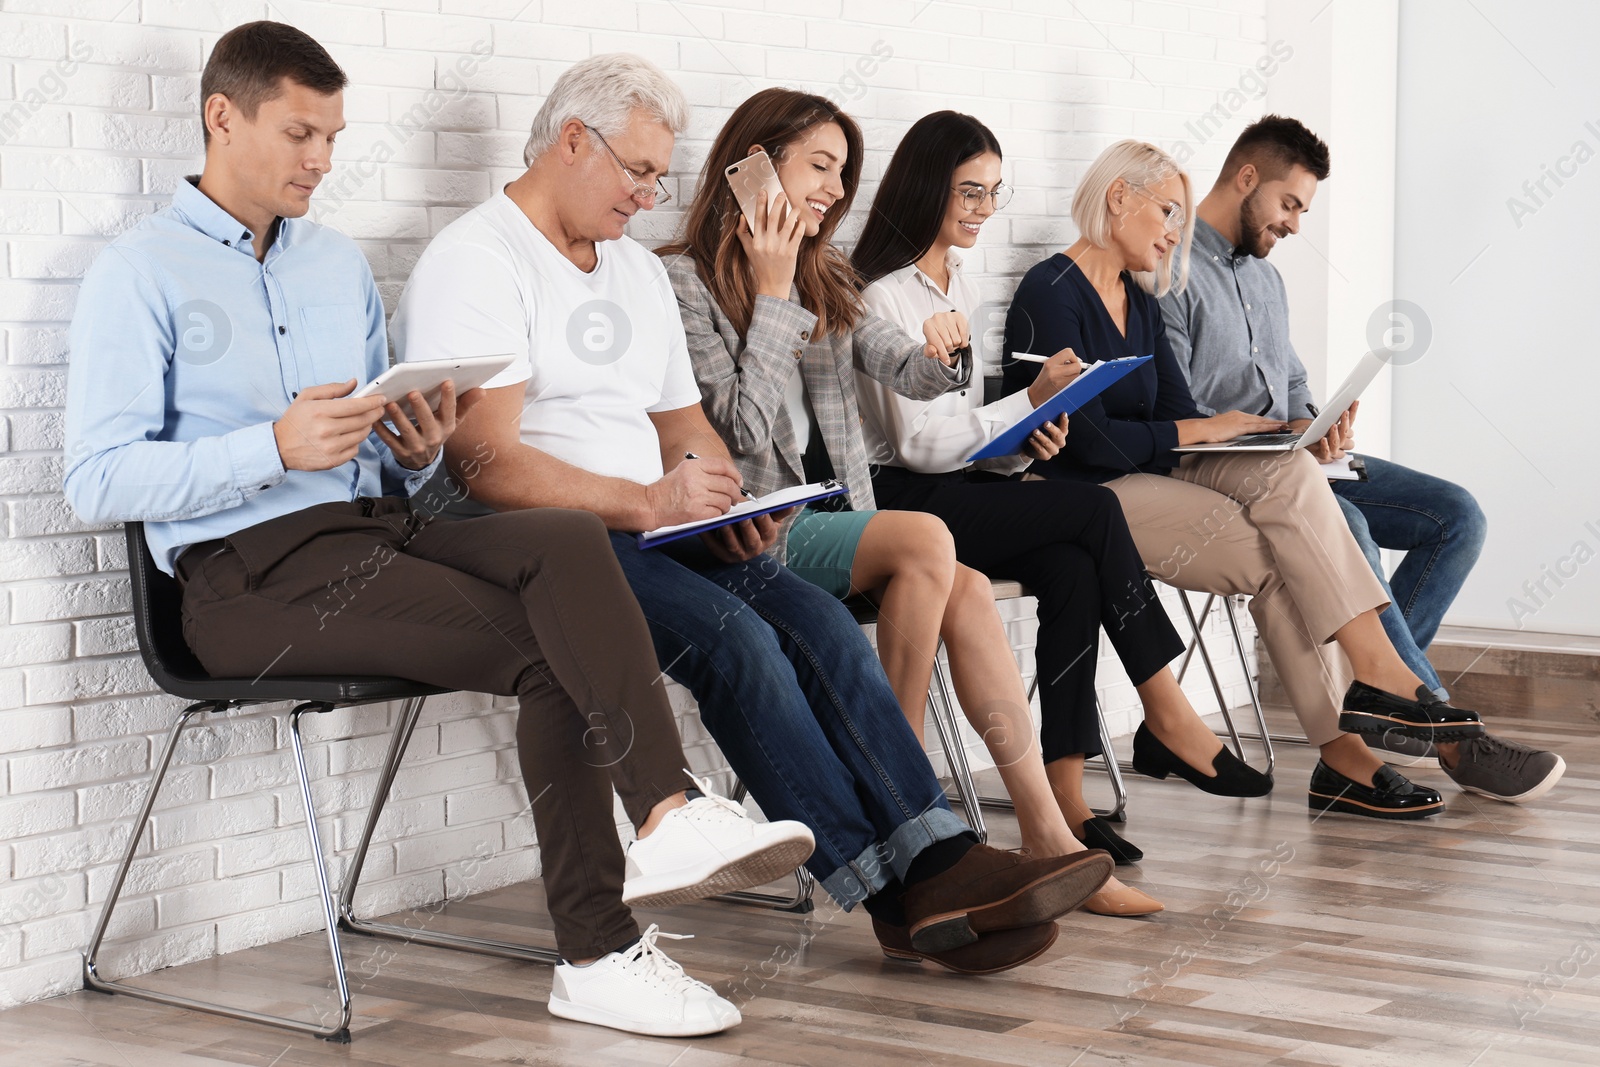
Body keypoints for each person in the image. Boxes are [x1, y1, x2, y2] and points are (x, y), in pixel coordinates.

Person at [61, 22, 827, 1040]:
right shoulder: (138, 271)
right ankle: (608, 934)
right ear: (221, 117)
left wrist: (417, 449)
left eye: (333, 136)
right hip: (241, 584)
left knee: (560, 543)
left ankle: (660, 828)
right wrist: (271, 447)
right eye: (300, 133)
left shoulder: (332, 268)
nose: (322, 160)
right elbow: (94, 478)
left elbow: (388, 461)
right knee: (560, 648)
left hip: (373, 535)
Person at [391, 53, 1113, 976]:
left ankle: (936, 852)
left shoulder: (631, 274)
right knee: (739, 639)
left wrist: (721, 497)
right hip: (552, 543)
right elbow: (486, 462)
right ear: (572, 141)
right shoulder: (479, 259)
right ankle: (903, 891)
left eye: (661, 175)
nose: (651, 196)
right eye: (639, 171)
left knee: (816, 621)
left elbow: (688, 427)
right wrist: (651, 499)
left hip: (649, 527)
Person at [658, 90, 1165, 918]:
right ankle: (907, 800)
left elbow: (908, 369)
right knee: (931, 538)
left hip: (823, 522)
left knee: (960, 582)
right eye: (819, 165)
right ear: (751, 164)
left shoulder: (824, 277)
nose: (833, 187)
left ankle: (1047, 834)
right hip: (747, 531)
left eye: (842, 173)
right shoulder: (680, 280)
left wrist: (945, 349)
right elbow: (738, 427)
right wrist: (776, 290)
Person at [1003, 138, 1498, 821]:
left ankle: (1349, 744)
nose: (1177, 232)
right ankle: (1374, 686)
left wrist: (1257, 430)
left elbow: (1175, 413)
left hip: (1150, 475)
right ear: (1118, 198)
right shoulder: (1049, 290)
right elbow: (1086, 439)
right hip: (1079, 492)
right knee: (1285, 528)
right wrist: (1195, 431)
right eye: (1168, 212)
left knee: (1284, 522)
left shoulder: (1140, 299)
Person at [849, 109, 1275, 881]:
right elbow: (917, 444)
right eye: (968, 192)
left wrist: (1025, 441)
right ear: (925, 189)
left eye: (992, 193)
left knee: (1072, 567)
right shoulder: (883, 298)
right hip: (903, 504)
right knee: (1095, 507)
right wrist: (1023, 405)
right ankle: (1166, 707)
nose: (981, 208)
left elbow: (967, 430)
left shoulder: (959, 284)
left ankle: (1070, 798)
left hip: (961, 486)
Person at [1161, 114, 1564, 803]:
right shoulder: (1170, 271)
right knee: (1347, 521)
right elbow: (1177, 406)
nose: (1294, 224)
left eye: (1302, 211)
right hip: (1223, 474)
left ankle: (1373, 703)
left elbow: (1290, 386)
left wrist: (1320, 427)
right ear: (1247, 177)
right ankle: (1448, 734)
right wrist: (1278, 436)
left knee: (1456, 516)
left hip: (1292, 460)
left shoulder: (1267, 281)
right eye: (1290, 204)